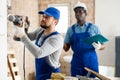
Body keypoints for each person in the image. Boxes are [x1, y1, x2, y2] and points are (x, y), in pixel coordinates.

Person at [14, 7, 64, 80]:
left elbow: (39, 53)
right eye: (43, 16)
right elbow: (18, 38)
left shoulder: (57, 38)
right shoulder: (40, 31)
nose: (43, 19)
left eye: (47, 17)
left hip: (51, 76)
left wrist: (22, 35)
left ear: (55, 22)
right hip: (40, 75)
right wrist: (22, 27)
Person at [63, 1, 105, 78]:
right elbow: (66, 48)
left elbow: (103, 46)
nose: (78, 14)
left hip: (91, 62)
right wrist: (61, 42)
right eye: (76, 12)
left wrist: (99, 46)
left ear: (86, 13)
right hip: (76, 62)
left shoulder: (94, 28)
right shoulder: (71, 30)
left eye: (80, 11)